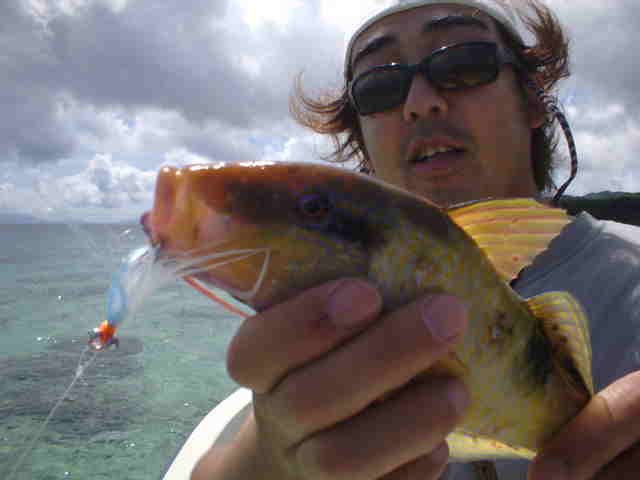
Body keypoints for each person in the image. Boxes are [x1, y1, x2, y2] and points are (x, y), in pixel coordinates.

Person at [191, 1, 640, 478]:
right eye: (378, 87)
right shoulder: (339, 306)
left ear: (531, 100)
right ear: (363, 142)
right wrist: (270, 458)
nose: (419, 101)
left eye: (463, 62)